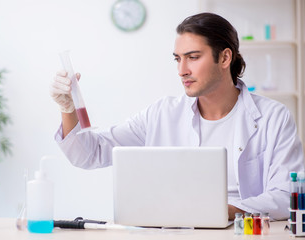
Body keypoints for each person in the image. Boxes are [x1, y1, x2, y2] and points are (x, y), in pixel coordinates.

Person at [50, 12, 304, 220]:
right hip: (174, 231)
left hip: (243, 231)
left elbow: (286, 194)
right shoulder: (161, 114)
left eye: (193, 57)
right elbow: (89, 154)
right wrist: (68, 109)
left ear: (225, 57)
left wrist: (223, 211)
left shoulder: (273, 118)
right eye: (177, 59)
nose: (182, 70)